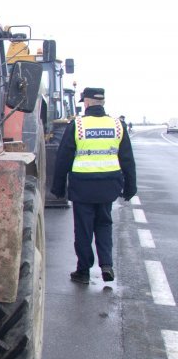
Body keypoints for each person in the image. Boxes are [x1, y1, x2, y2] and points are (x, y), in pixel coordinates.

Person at [51, 87, 137, 284]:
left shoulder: (77, 126)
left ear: (87, 102)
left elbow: (63, 158)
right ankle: (106, 265)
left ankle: (83, 271)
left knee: (83, 229)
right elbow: (127, 159)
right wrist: (130, 187)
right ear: (102, 102)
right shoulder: (117, 125)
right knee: (104, 224)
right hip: (108, 187)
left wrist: (58, 188)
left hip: (83, 187)